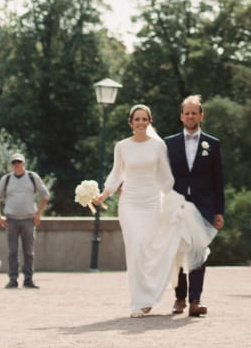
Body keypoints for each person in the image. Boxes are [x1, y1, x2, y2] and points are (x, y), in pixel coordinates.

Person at [91, 103, 214, 317]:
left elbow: (166, 179)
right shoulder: (121, 146)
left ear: (149, 122)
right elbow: (116, 175)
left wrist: (179, 199)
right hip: (129, 204)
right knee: (136, 248)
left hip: (152, 204)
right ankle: (139, 300)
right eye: (136, 119)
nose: (140, 123)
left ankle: (149, 297)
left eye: (144, 119)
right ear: (130, 123)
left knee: (149, 249)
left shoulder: (158, 146)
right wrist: (103, 195)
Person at [164, 95, 225, 318]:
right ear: (181, 116)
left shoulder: (213, 144)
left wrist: (220, 211)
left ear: (201, 115)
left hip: (203, 206)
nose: (190, 116)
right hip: (176, 204)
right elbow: (161, 175)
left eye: (194, 112)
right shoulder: (168, 143)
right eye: (187, 113)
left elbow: (218, 180)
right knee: (178, 250)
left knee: (198, 250)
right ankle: (180, 298)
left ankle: (195, 300)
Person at [0, 152, 50, 289]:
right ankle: (13, 279)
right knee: (12, 251)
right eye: (14, 163)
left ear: (24, 163)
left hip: (29, 219)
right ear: (11, 165)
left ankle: (28, 279)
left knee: (29, 251)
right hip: (11, 220)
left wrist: (38, 214)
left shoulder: (32, 177)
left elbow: (45, 195)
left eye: (19, 162)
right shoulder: (6, 179)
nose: (17, 165)